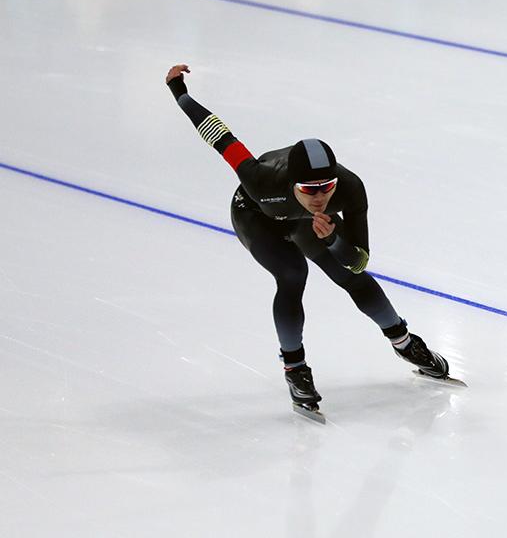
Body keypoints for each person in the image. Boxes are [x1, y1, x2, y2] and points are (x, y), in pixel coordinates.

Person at [164, 64, 450, 412]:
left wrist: (333, 241)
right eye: (310, 189)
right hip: (256, 217)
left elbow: (359, 259)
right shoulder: (262, 179)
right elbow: (219, 135)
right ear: (291, 184)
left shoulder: (350, 189)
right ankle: (295, 368)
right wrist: (180, 92)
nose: (320, 197)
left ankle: (404, 342)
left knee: (351, 275)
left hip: (305, 222)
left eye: (326, 188)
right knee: (293, 274)